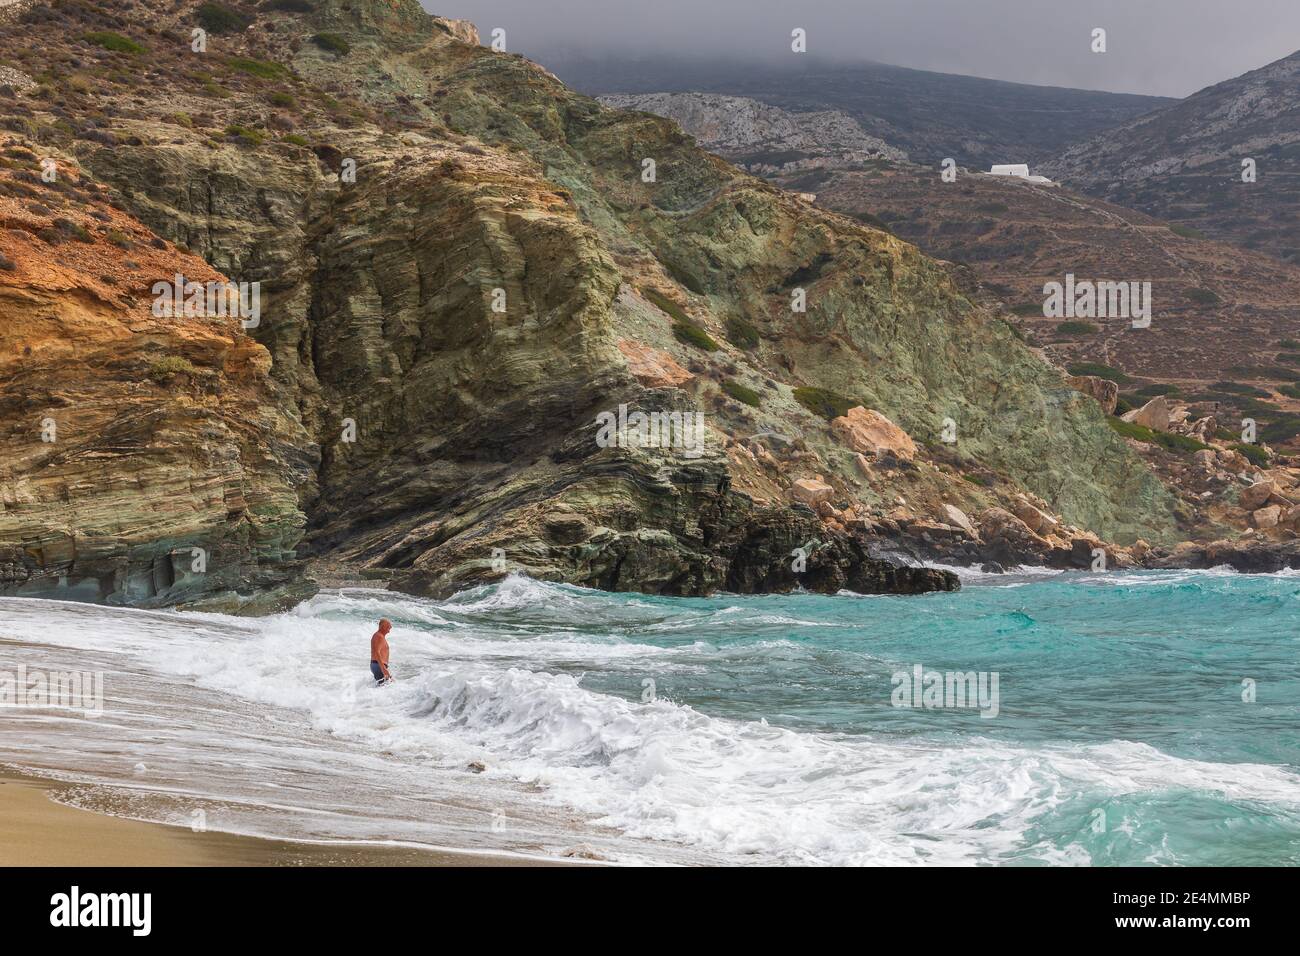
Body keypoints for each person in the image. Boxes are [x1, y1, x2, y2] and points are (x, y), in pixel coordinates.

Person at [370, 619, 393, 684]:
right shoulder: (378, 636)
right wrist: (384, 669)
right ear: (383, 626)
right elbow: (376, 652)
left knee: (384, 687)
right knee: (383, 688)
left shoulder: (380, 636)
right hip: (379, 665)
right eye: (389, 626)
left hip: (379, 665)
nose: (391, 627)